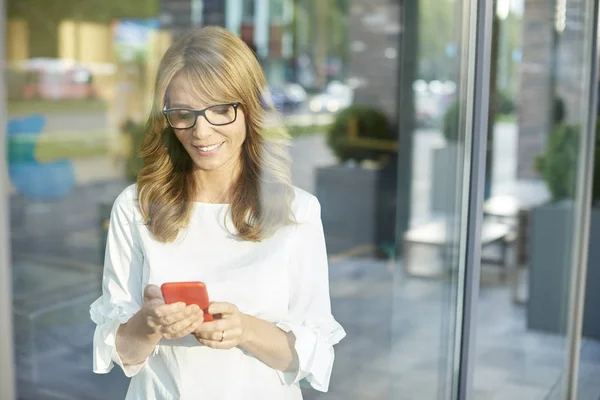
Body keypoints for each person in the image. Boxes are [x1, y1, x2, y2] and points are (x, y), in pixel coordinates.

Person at [89, 26, 345, 399]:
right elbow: (123, 354)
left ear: (249, 108)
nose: (201, 132)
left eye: (221, 110)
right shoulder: (135, 207)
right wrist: (150, 323)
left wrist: (243, 329)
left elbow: (309, 356)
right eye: (183, 114)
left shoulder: (297, 212)